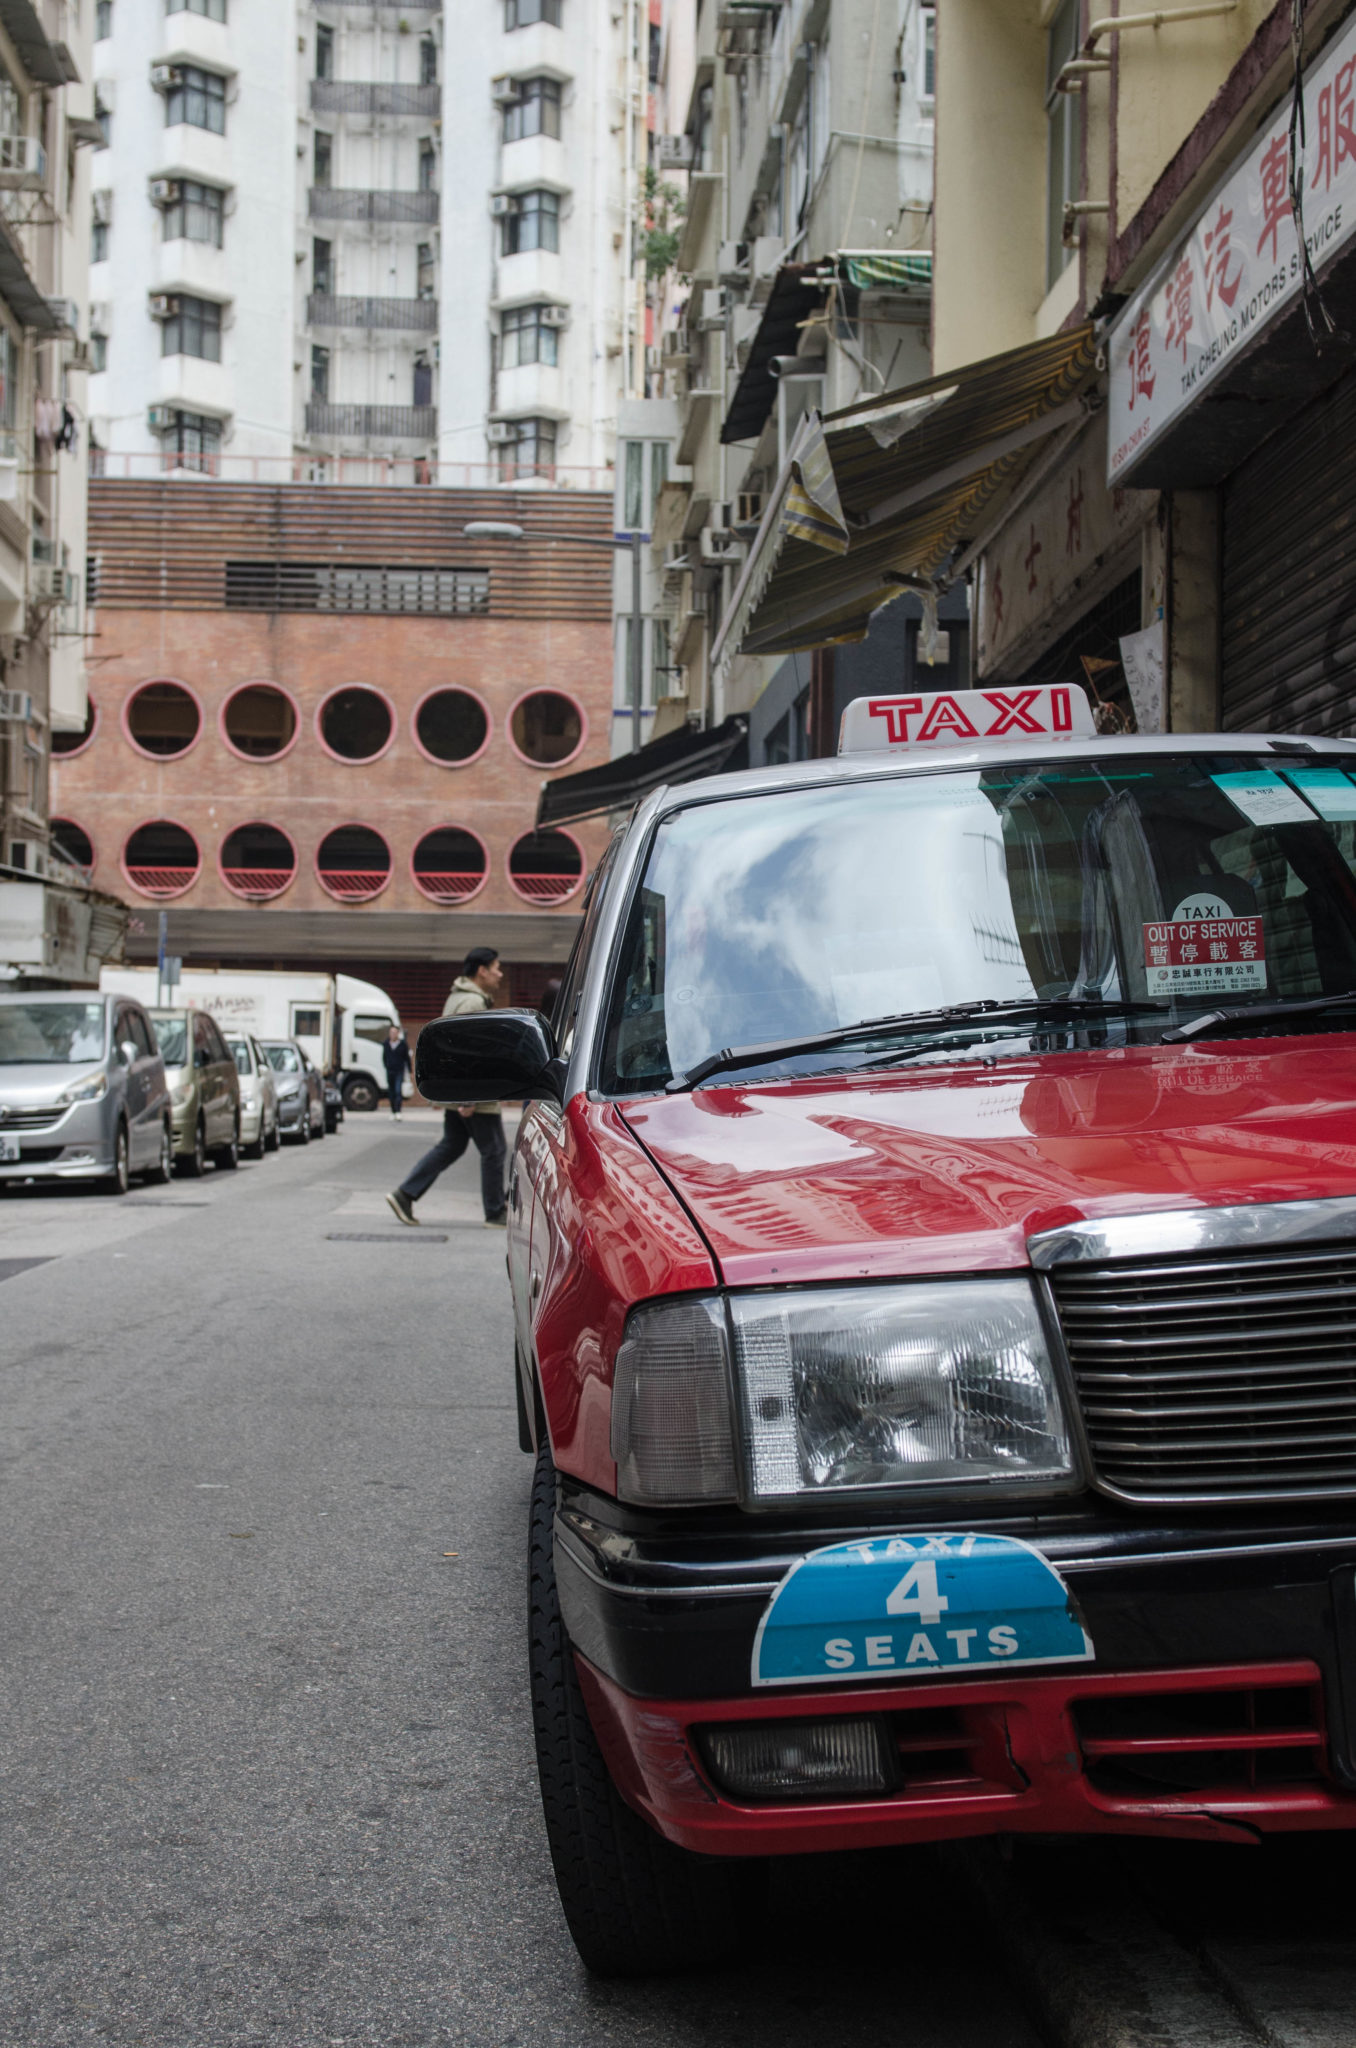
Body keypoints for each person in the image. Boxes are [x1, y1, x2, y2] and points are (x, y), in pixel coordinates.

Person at [386, 947, 508, 1228]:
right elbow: (468, 1053)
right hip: (474, 1093)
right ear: (482, 971)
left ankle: (405, 1195)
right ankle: (494, 1212)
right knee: (495, 1151)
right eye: (496, 968)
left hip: (460, 1091)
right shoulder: (472, 1004)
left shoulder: (458, 998)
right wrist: (469, 1097)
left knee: (452, 1145)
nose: (499, 974)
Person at [381, 1022, 411, 1121]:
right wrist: (386, 1066)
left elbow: (407, 1058)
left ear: (398, 1033)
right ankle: (393, 1111)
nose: (393, 1034)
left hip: (399, 1070)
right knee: (391, 1092)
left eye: (394, 1032)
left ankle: (398, 1111)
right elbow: (384, 1057)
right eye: (391, 1032)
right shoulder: (386, 1043)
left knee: (398, 1091)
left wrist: (410, 1071)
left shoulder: (402, 1044)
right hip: (390, 1070)